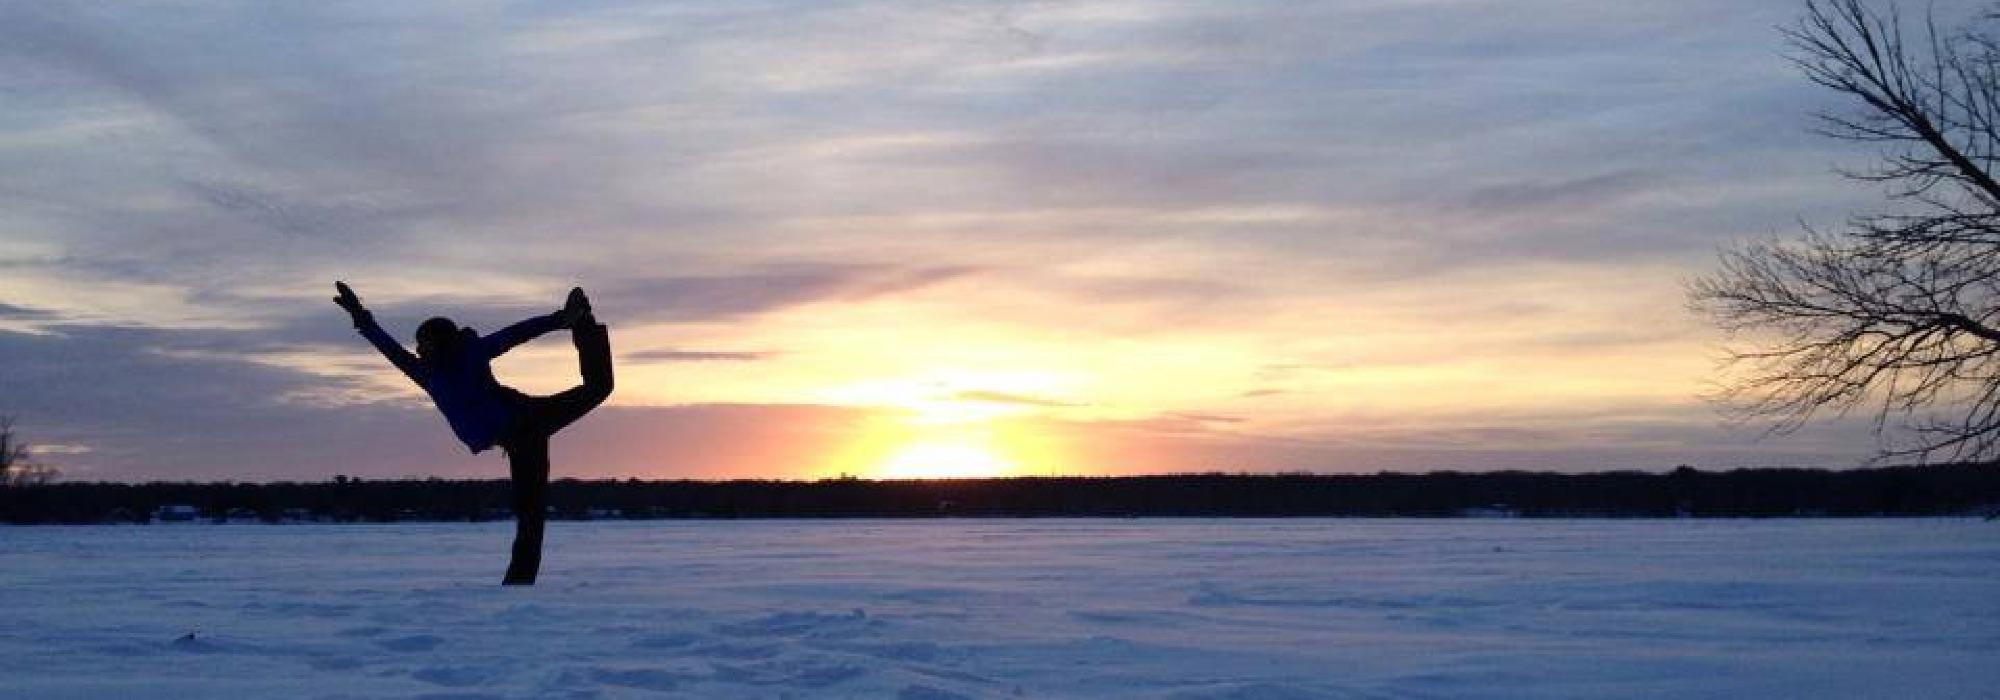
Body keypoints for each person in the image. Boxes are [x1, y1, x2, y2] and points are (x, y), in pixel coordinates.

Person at [333, 281, 613, 585]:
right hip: (517, 434)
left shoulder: (470, 354)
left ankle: (581, 321)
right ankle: (518, 584)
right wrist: (361, 317)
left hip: (525, 422)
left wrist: (559, 319)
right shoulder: (426, 374)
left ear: (440, 342)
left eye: (423, 342)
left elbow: (515, 334)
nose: (418, 349)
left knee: (598, 389)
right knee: (529, 513)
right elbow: (391, 351)